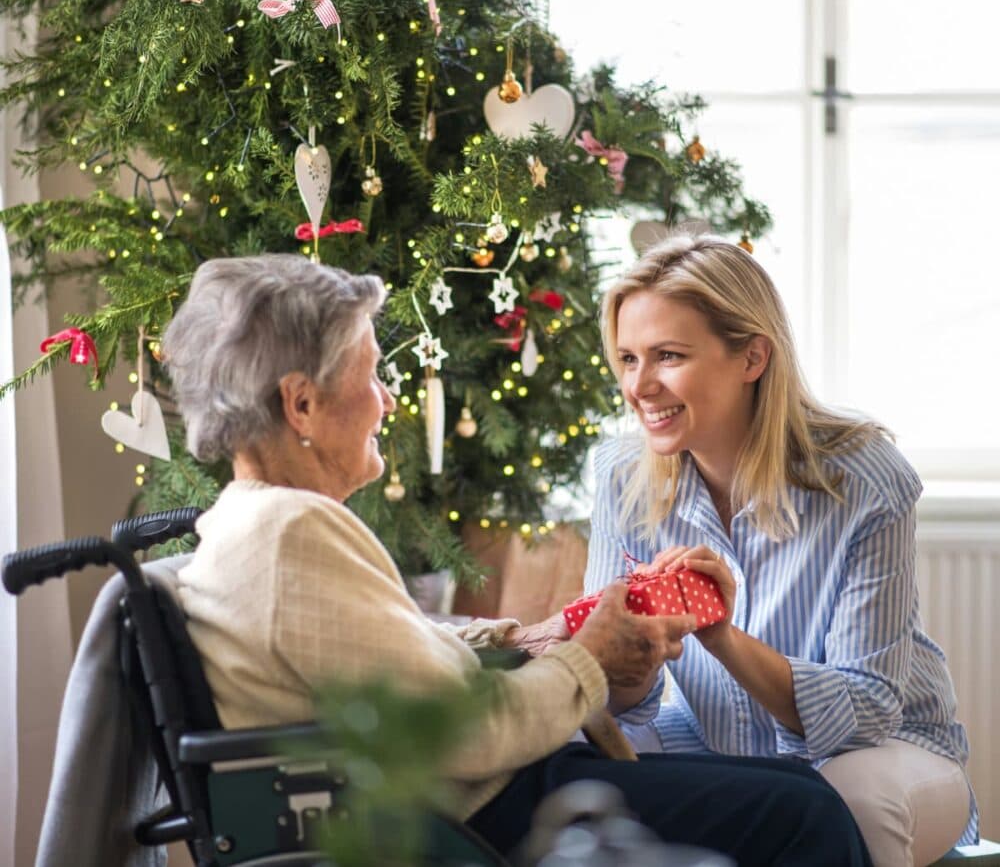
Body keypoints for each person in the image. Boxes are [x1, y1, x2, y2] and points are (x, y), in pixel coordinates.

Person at [162, 252, 873, 866]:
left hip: (479, 795)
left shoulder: (255, 523)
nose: (386, 400)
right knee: (806, 815)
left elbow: (387, 650)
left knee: (803, 793)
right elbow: (465, 734)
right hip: (474, 816)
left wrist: (528, 637)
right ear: (302, 404)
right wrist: (590, 656)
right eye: (371, 375)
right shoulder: (292, 532)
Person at [587, 233, 976, 867]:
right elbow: (619, 702)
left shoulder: (864, 479)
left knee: (849, 801)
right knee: (599, 781)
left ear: (752, 358)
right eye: (628, 359)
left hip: (885, 752)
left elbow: (868, 711)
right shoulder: (619, 476)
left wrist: (723, 638)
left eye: (668, 356)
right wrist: (627, 662)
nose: (641, 385)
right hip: (710, 743)